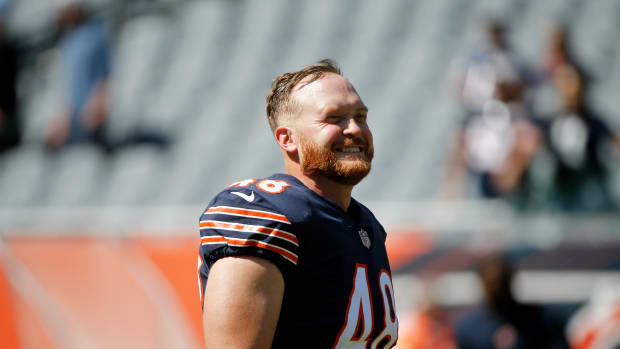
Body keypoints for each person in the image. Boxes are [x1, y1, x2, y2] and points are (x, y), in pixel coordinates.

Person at [197, 59, 398, 348]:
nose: (354, 128)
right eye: (334, 118)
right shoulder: (266, 212)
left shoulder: (365, 224)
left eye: (361, 116)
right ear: (288, 139)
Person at [456, 255, 567, 349]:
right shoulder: (469, 329)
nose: (497, 287)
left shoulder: (540, 319)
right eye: (493, 283)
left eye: (500, 282)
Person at [45, 1, 111, 150]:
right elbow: (65, 83)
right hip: (71, 119)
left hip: (90, 117)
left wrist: (96, 105)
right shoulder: (67, 40)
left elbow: (104, 77)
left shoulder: (95, 35)